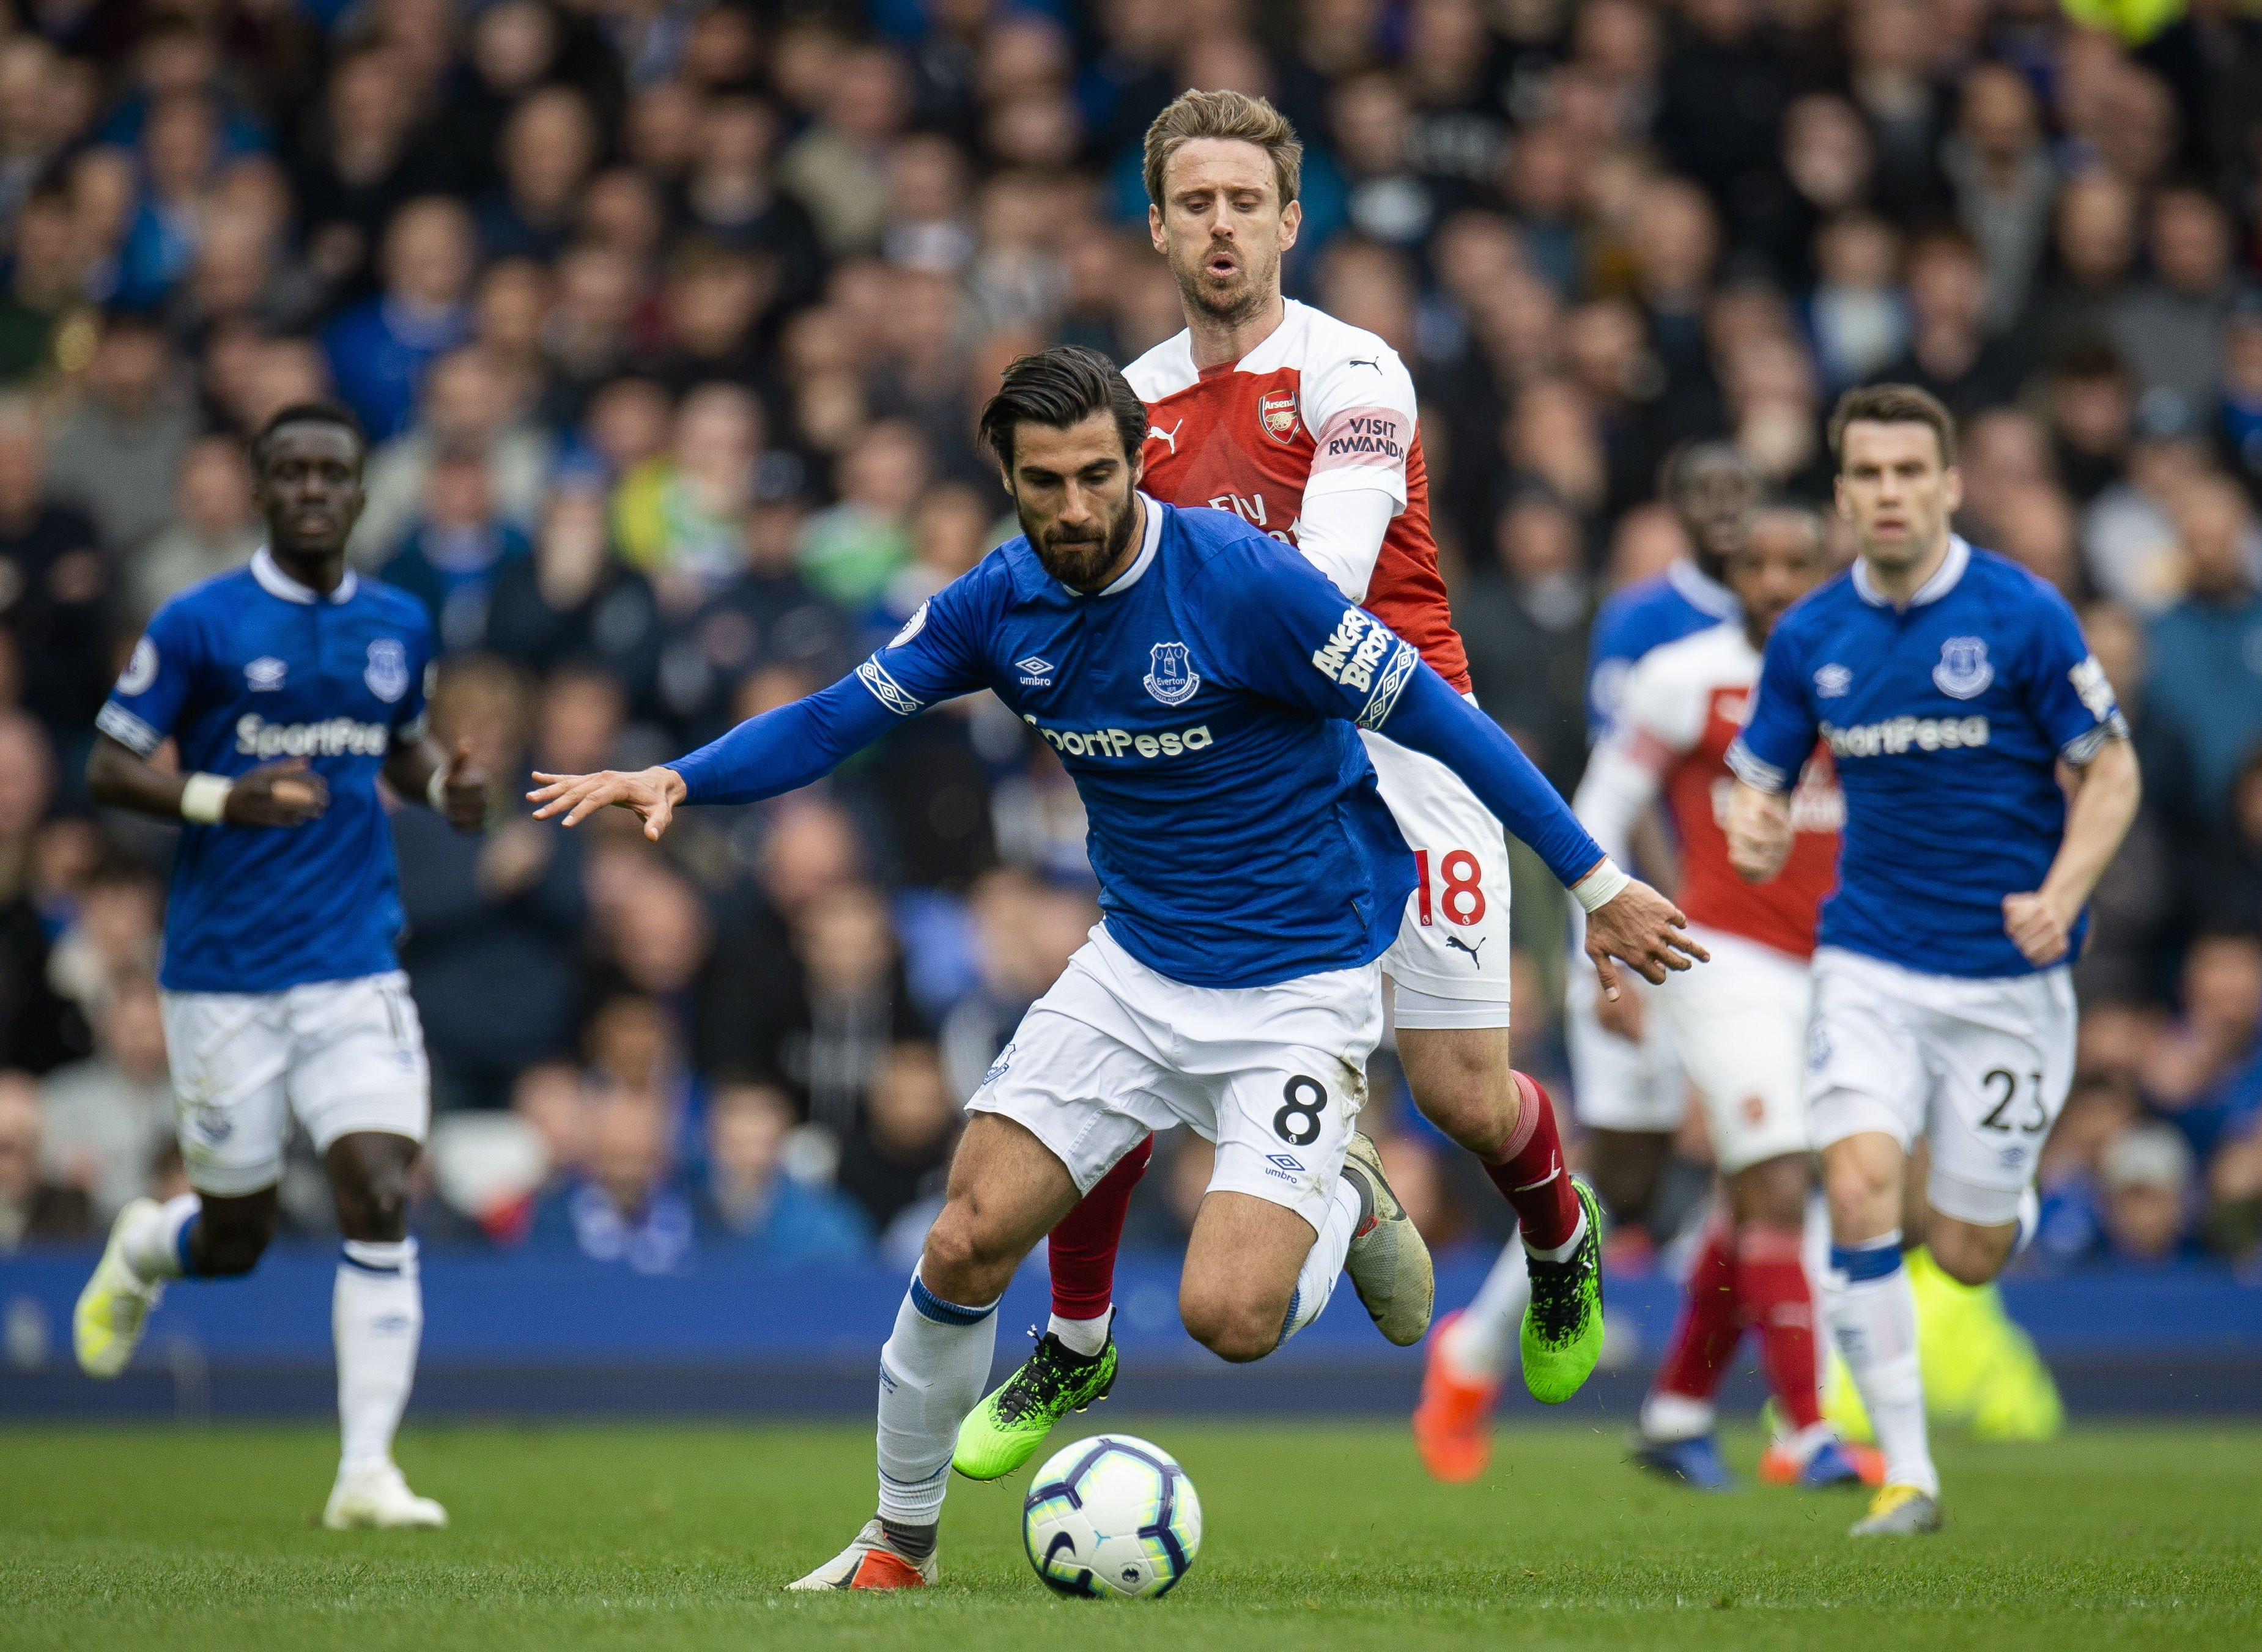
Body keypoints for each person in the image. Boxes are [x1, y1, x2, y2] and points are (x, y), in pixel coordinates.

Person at [528, 345, 1700, 1589]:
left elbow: (1447, 722)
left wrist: (1595, 881)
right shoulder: (994, 602)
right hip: (1134, 969)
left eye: (1098, 475)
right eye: (1046, 483)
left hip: (1297, 983)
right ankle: (896, 1546)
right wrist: (679, 777)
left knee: (1229, 1318)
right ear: (1008, 478)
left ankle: (1344, 1196)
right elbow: (835, 718)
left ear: (1138, 461)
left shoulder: (1247, 584)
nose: (1074, 507)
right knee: (964, 1239)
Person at [959, 89, 1641, 1488]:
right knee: (1132, 1028)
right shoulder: (1127, 406)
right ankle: (1077, 1333)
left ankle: (1556, 1239)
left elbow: (1323, 587)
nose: (1219, 226)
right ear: (1155, 225)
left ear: (1287, 218)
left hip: (1400, 736)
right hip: (1230, 748)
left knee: (1459, 1088)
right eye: (1191, 203)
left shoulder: (1353, 375)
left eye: (1243, 202)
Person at [1724, 383, 2142, 1536]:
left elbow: (2112, 770)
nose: (1891, 493)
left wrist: (2063, 894)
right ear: (1844, 490)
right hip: (1870, 963)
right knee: (1855, 1186)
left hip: (2008, 980)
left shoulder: (2023, 616)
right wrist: (1754, 830)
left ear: (1950, 484)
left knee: (1964, 1249)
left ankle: (1981, 1192)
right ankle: (1907, 1476)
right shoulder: (1812, 634)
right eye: (1869, 474)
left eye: (1912, 472)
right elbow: (1757, 788)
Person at [68, 400, 489, 1530]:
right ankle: (151, 1246)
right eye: (290, 472)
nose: (312, 490)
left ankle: (366, 1475)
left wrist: (443, 784)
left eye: (332, 473)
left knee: (378, 1184)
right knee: (239, 1234)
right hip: (221, 975)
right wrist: (222, 797)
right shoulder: (201, 620)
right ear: (259, 493)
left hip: (354, 959)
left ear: (359, 494)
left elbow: (399, 740)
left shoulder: (399, 620)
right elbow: (107, 767)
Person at [1416, 440, 1757, 1480]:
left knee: (1779, 1160)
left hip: (1760, 935)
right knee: (1628, 1176)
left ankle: (1767, 1407)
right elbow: (1628, 787)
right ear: (1671, 505)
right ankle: (1476, 1354)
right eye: (1700, 488)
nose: (1724, 511)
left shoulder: (1809, 624)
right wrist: (1642, 927)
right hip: (1651, 919)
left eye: (1737, 492)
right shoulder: (1648, 623)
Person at [1575, 503, 1869, 1492]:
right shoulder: (1682, 678)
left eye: (1800, 561)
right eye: (1760, 564)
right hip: (1720, 956)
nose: (1779, 581)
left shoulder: (1865, 672)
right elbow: (1600, 810)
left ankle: (1676, 1413)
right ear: (1730, 575)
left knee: (1753, 1199)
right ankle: (1809, 1427)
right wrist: (1603, 935)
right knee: (1782, 1175)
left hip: (1840, 967)